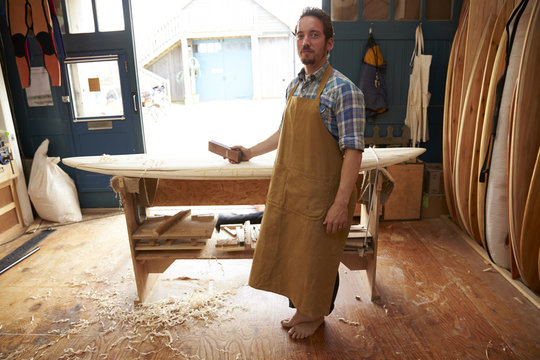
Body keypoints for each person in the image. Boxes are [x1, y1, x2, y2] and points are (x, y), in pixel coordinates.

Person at [230, 7, 365, 339]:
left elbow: (353, 151)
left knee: (319, 258)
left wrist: (340, 203)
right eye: (301, 35)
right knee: (297, 254)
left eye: (314, 35)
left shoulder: (343, 91)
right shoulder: (294, 87)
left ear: (329, 43)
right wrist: (248, 152)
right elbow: (283, 134)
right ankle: (303, 309)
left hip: (323, 195)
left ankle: (316, 315)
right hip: (294, 191)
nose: (306, 41)